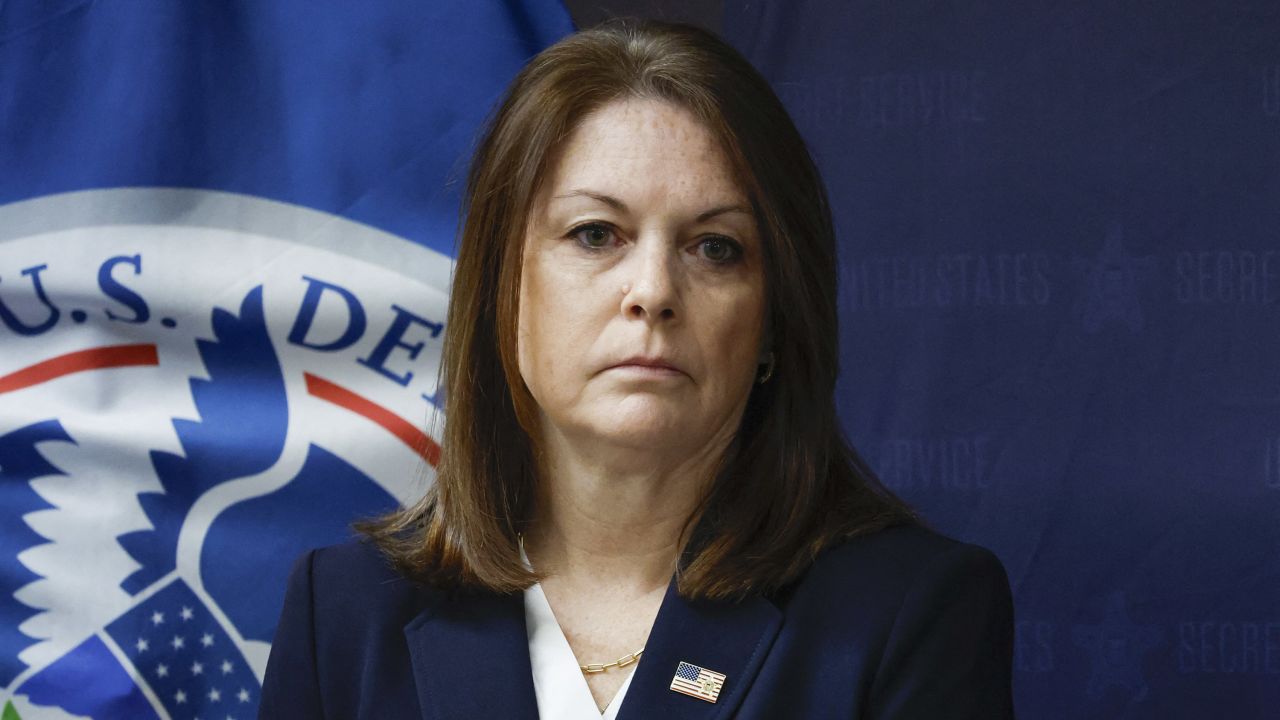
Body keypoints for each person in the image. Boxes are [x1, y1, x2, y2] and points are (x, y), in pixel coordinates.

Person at [258, 18, 1014, 720]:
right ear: (502, 291)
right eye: (596, 234)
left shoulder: (912, 613)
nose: (652, 291)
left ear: (775, 319)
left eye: (714, 247)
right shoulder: (345, 615)